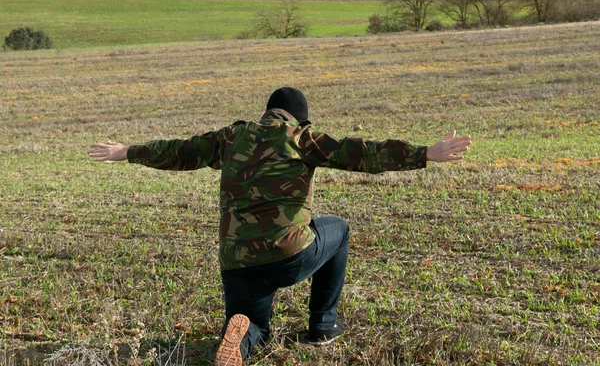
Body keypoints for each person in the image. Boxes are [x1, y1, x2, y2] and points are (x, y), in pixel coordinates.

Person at [88, 87, 471, 366]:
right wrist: (425, 153)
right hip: (290, 254)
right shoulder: (301, 138)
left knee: (253, 322)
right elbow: (363, 153)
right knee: (338, 229)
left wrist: (126, 152)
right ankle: (323, 325)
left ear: (267, 112)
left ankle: (239, 343)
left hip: (237, 263)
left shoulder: (231, 137)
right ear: (300, 119)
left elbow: (179, 150)